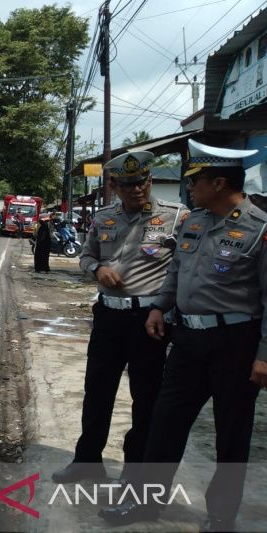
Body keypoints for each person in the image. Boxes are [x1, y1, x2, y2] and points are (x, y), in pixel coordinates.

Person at [100, 140, 267, 531]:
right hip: (187, 340)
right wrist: (159, 306)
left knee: (232, 433)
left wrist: (264, 355)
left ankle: (221, 516)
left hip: (236, 344)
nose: (189, 187)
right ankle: (146, 502)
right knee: (165, 423)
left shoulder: (259, 230)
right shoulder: (194, 222)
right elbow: (175, 274)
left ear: (219, 183)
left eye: (196, 180)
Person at [52, 151, 188, 485]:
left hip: (149, 320)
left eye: (142, 182)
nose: (137, 189)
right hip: (108, 316)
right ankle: (87, 460)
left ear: (150, 181)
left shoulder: (176, 217)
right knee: (97, 390)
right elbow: (86, 256)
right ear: (113, 186)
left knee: (145, 396)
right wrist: (97, 269)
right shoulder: (104, 218)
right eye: (128, 184)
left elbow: (185, 266)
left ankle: (134, 470)